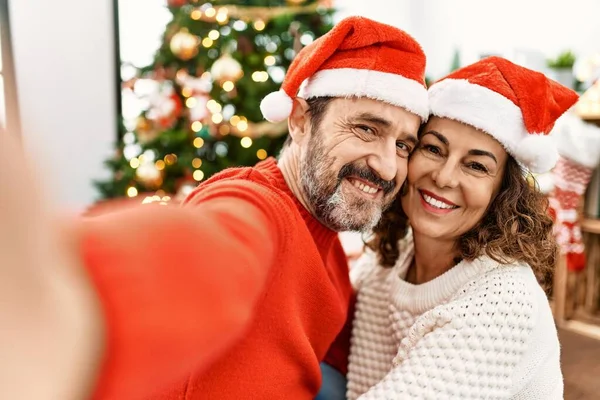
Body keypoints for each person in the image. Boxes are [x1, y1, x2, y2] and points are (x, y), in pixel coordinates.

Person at [0, 16, 430, 400]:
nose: (388, 165)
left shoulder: (332, 250)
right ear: (299, 120)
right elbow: (207, 250)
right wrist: (67, 303)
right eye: (365, 128)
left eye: (403, 145)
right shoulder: (259, 208)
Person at [345, 56, 578, 399]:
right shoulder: (391, 257)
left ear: (503, 193)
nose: (443, 176)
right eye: (433, 149)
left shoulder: (503, 303)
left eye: (476, 166)